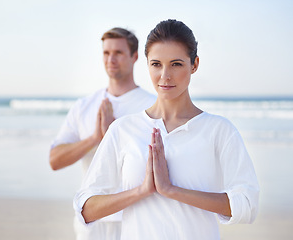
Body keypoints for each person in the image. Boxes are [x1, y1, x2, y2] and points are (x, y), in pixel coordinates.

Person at [74, 19, 260, 239]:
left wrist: (172, 190)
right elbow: (86, 209)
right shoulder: (123, 130)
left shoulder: (219, 130)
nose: (165, 76)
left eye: (176, 64)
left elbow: (247, 206)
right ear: (147, 64)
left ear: (194, 64)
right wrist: (141, 191)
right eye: (156, 64)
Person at [50, 28, 156, 240]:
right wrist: (94, 139)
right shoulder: (85, 106)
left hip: (137, 216)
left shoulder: (152, 106)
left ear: (135, 57)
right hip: (93, 218)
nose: (111, 59)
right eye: (106, 53)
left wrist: (115, 136)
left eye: (118, 52)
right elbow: (55, 160)